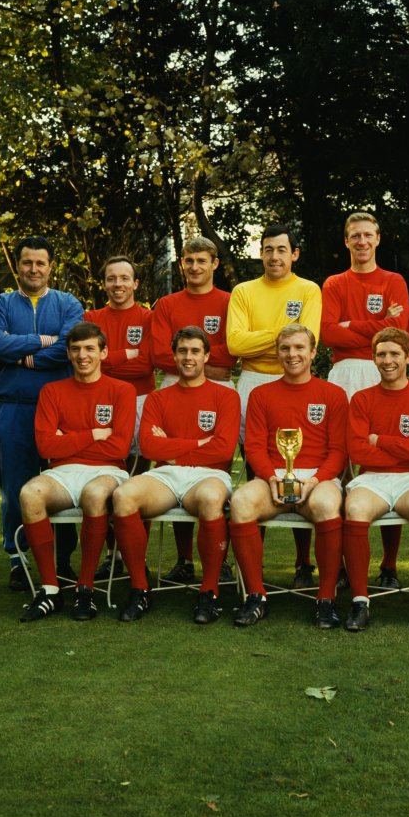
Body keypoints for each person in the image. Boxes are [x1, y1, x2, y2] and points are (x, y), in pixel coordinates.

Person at [109, 326, 241, 624]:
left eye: (195, 351)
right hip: (167, 475)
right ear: (174, 356)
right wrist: (197, 443)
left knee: (209, 499)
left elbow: (222, 450)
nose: (188, 357)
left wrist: (171, 446)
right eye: (182, 351)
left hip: (210, 474)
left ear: (206, 355)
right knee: (123, 495)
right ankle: (140, 588)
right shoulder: (158, 397)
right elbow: (149, 445)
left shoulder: (226, 397)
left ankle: (209, 592)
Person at [229, 324, 348, 629]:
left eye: (299, 348)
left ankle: (325, 600)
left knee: (325, 506)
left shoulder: (333, 395)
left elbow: (338, 451)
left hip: (317, 479)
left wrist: (315, 480)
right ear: (277, 353)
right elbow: (253, 447)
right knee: (241, 501)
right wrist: (270, 478)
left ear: (312, 352)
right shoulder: (260, 394)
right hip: (272, 477)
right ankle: (256, 596)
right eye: (285, 349)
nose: (292, 354)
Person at [18, 322, 136, 622]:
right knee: (30, 494)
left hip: (108, 471)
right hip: (63, 472)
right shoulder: (52, 391)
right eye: (75, 349)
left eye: (89, 349)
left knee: (94, 493)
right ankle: (50, 590)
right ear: (68, 354)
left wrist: (66, 439)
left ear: (103, 352)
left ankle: (86, 588)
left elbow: (119, 449)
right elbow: (45, 446)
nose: (83, 356)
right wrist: (94, 434)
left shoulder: (122, 390)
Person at [0, 236, 84, 591]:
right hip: (14, 411)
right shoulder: (0, 303)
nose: (34, 269)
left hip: (61, 412)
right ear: (18, 266)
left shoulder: (68, 303)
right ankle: (18, 559)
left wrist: (22, 352)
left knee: (63, 486)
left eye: (40, 263)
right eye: (27, 263)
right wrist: (43, 340)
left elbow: (68, 348)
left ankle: (61, 559)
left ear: (51, 266)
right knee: (16, 487)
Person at [226, 224, 322, 587]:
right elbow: (235, 344)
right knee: (258, 470)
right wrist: (283, 335)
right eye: (268, 249)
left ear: (294, 253)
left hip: (298, 385)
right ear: (260, 253)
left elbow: (309, 339)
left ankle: (303, 563)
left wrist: (270, 340)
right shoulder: (243, 290)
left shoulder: (308, 289)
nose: (274, 256)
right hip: (253, 382)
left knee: (301, 464)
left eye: (281, 250)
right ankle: (254, 566)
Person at [321, 211, 409, 589]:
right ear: (346, 241)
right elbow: (328, 334)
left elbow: (397, 334)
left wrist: (351, 326)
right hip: (343, 374)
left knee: (385, 466)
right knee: (341, 466)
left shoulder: (394, 281)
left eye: (367, 235)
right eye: (354, 235)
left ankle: (389, 565)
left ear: (378, 239)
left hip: (382, 373)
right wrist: (371, 327)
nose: (361, 241)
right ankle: (342, 564)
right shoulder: (335, 283)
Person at [342, 328, 409, 631]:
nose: (388, 360)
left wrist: (379, 440)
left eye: (395, 354)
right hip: (372, 479)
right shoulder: (361, 399)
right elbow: (358, 451)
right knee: (355, 509)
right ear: (373, 358)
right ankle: (360, 601)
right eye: (381, 354)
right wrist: (406, 446)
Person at [151, 237, 236, 585]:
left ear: (215, 264)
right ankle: (184, 559)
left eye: (202, 260)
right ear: (181, 264)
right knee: (172, 469)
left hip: (217, 392)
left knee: (215, 471)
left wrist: (204, 367)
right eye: (189, 261)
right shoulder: (167, 304)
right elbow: (158, 354)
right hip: (173, 389)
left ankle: (220, 559)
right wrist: (206, 362)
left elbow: (232, 351)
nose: (195, 267)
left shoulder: (230, 301)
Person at [84, 255, 156, 577]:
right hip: (103, 402)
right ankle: (112, 555)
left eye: (124, 278)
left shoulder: (148, 317)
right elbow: (89, 361)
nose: (118, 285)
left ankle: (134, 555)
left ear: (135, 284)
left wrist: (108, 357)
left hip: (141, 401)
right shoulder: (92, 317)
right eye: (111, 279)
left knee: (138, 481)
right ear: (104, 284)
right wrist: (123, 354)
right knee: (109, 476)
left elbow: (145, 364)